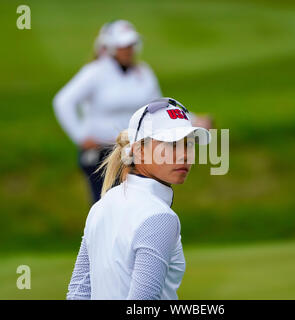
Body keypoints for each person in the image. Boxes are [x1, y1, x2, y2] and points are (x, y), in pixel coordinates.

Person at [66, 97, 211, 300]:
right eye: (171, 144)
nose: (184, 155)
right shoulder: (159, 217)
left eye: (188, 144)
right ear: (138, 151)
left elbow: (78, 293)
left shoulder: (102, 205)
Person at [53, 20, 162, 204]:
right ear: (111, 47)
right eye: (123, 46)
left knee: (135, 207)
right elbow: (63, 101)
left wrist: (191, 120)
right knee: (106, 207)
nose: (129, 50)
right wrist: (80, 136)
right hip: (101, 154)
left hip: (133, 151)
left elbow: (157, 106)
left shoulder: (143, 72)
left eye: (131, 45)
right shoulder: (96, 72)